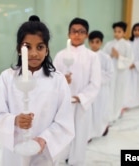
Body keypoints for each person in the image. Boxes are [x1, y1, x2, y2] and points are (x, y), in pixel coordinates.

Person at [0, 15, 75, 166]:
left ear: (47, 50)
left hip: (44, 152)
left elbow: (64, 120)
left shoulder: (58, 80)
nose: (33, 53)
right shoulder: (7, 78)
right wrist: (15, 120)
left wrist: (44, 139)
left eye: (40, 47)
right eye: (27, 47)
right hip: (14, 151)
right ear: (19, 49)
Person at [54, 17, 101, 166]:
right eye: (74, 31)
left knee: (80, 134)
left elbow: (95, 83)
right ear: (69, 34)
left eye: (81, 32)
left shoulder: (92, 57)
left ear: (86, 35)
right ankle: (61, 157)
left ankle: (76, 161)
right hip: (63, 103)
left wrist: (80, 97)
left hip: (81, 104)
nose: (77, 35)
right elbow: (52, 79)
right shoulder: (60, 55)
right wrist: (63, 81)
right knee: (62, 133)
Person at [103, 21, 133, 122]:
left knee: (119, 93)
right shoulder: (109, 44)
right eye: (115, 31)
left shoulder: (127, 45)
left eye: (119, 31)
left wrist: (118, 56)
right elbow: (103, 57)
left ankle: (116, 113)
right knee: (110, 93)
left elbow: (129, 60)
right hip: (111, 73)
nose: (116, 33)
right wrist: (110, 56)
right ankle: (108, 114)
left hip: (121, 74)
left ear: (124, 33)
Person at [88, 30, 114, 139]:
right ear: (89, 43)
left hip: (101, 89)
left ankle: (102, 128)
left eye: (97, 42)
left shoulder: (105, 57)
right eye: (92, 42)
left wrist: (97, 77)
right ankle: (89, 134)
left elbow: (110, 74)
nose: (94, 44)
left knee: (101, 110)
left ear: (101, 43)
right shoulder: (86, 55)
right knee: (90, 113)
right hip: (88, 89)